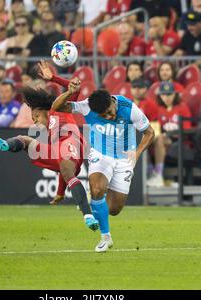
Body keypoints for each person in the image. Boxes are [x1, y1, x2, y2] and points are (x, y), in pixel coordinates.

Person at [0, 64, 99, 232]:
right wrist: (60, 192)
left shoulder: (58, 110)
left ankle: (88, 215)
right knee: (26, 140)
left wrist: (54, 79)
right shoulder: (51, 134)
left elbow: (73, 90)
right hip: (62, 152)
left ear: (43, 110)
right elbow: (61, 165)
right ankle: (5, 145)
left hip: (73, 142)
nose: (34, 120)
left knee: (65, 165)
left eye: (35, 116)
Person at [62, 76, 155, 252]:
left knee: (113, 209)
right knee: (97, 188)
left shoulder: (129, 108)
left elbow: (150, 133)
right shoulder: (87, 106)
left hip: (124, 159)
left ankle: (97, 202)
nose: (109, 117)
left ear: (113, 101)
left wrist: (136, 154)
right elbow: (57, 107)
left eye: (110, 112)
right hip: (100, 154)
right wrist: (69, 92)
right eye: (104, 116)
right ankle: (106, 238)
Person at [146, 82, 192, 188]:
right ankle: (149, 173)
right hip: (161, 141)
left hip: (179, 141)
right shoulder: (157, 109)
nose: (167, 97)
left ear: (175, 94)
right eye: (164, 94)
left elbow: (187, 129)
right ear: (160, 96)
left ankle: (158, 174)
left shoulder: (182, 108)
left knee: (160, 139)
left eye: (170, 94)